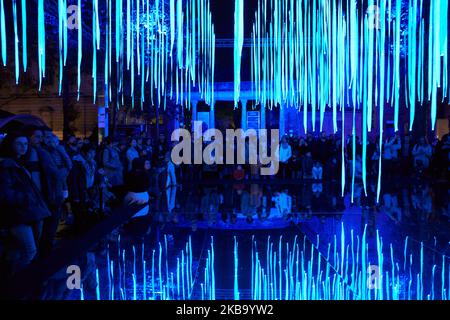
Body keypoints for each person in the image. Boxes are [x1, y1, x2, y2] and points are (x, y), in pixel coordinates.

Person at [0, 133, 51, 273]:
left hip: (23, 213)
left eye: (25, 144)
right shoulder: (7, 165)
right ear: (10, 145)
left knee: (16, 251)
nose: (23, 147)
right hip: (17, 215)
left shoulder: (17, 162)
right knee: (30, 250)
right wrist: (27, 198)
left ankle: (13, 281)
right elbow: (5, 193)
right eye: (19, 144)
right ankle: (19, 284)